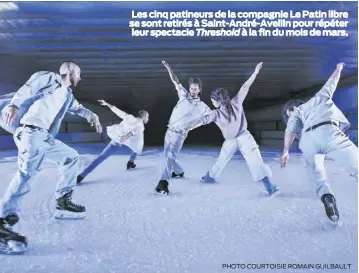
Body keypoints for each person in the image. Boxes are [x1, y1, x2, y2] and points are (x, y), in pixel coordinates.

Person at [0, 61, 102, 253]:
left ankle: (63, 200)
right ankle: (3, 221)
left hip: (45, 137)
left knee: (71, 157)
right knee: (27, 174)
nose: (80, 77)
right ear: (70, 71)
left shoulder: (67, 95)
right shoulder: (48, 78)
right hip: (30, 132)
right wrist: (14, 104)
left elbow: (78, 108)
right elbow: (28, 88)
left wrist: (91, 115)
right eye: (78, 73)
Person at [183, 63, 279, 196]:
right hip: (240, 138)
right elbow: (245, 87)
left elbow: (201, 121)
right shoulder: (235, 102)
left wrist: (188, 128)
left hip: (236, 139)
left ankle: (211, 176)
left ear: (218, 100)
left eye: (213, 101)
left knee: (228, 160)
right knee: (254, 160)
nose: (212, 103)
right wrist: (255, 73)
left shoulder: (218, 112)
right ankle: (268, 185)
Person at [280, 62, 357, 223]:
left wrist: (286, 151)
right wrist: (338, 69)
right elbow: (332, 82)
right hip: (329, 131)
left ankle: (327, 197)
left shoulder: (298, 113)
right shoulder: (320, 97)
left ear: (294, 108)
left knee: (317, 174)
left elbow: (290, 131)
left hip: (308, 141)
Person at [154, 61, 212, 195]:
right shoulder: (183, 95)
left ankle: (163, 183)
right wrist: (169, 68)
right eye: (191, 88)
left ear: (199, 90)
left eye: (195, 89)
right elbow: (176, 81)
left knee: (170, 156)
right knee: (167, 155)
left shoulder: (202, 106)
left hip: (179, 134)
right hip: (169, 131)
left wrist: (192, 127)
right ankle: (179, 171)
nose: (193, 91)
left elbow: (211, 116)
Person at [77, 100, 149, 183]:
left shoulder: (129, 117)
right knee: (137, 146)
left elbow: (118, 111)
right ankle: (131, 161)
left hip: (118, 138)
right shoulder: (140, 125)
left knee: (102, 156)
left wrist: (107, 104)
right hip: (127, 140)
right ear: (144, 117)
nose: (148, 119)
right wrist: (126, 136)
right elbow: (134, 131)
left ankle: (82, 175)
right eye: (147, 117)